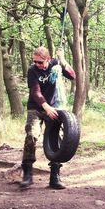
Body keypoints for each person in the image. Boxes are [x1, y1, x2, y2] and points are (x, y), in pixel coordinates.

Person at [20, 46, 76, 189]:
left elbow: (72, 75)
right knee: (31, 135)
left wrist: (62, 60)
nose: (37, 64)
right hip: (37, 107)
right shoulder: (32, 70)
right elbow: (35, 92)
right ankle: (27, 174)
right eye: (35, 61)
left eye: (40, 62)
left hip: (55, 106)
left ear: (48, 59)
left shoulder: (55, 64)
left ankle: (54, 177)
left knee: (56, 139)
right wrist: (46, 107)